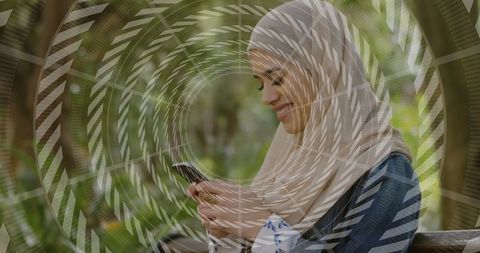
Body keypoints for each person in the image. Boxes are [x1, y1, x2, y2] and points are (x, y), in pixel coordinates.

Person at [187, 0, 421, 252]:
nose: (266, 97)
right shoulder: (287, 161)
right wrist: (230, 233)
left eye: (277, 79)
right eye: (260, 84)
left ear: (324, 69)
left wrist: (267, 231)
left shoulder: (388, 173)